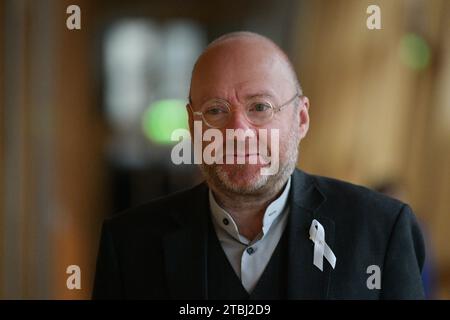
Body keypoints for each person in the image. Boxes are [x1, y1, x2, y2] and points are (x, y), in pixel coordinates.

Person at [92, 31, 425, 299]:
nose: (238, 131)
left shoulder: (381, 231)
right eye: (216, 110)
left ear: (302, 118)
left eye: (260, 107)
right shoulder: (129, 246)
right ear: (193, 125)